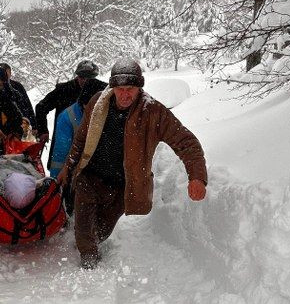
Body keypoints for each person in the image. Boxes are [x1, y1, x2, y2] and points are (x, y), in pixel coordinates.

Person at [57, 57, 207, 269]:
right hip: (89, 177)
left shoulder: (153, 112)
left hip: (122, 186)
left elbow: (187, 143)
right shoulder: (97, 103)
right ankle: (88, 270)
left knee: (101, 231)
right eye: (120, 89)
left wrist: (197, 176)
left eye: (130, 89)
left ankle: (91, 245)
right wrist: (67, 167)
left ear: (139, 88)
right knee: (84, 231)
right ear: (112, 87)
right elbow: (81, 139)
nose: (125, 95)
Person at [35, 60, 107, 171]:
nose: (85, 81)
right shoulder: (64, 90)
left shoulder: (103, 90)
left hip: (90, 144)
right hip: (63, 140)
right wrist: (43, 130)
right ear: (77, 76)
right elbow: (41, 107)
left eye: (89, 78)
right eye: (82, 77)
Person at [50, 78, 105, 214]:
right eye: (88, 106)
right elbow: (60, 153)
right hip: (73, 170)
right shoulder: (67, 117)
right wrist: (57, 182)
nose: (92, 110)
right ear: (83, 103)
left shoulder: (105, 112)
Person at [0, 63, 36, 130]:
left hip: (19, 122)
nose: (5, 76)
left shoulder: (17, 86)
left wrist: (34, 125)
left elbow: (27, 105)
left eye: (7, 73)